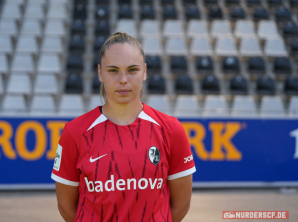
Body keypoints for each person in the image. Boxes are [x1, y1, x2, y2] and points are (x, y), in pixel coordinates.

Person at [51, 32, 196, 222]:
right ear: (100, 73)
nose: (123, 80)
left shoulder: (171, 130)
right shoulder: (74, 133)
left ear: (144, 72)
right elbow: (67, 208)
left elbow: (180, 205)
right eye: (113, 70)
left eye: (132, 70)